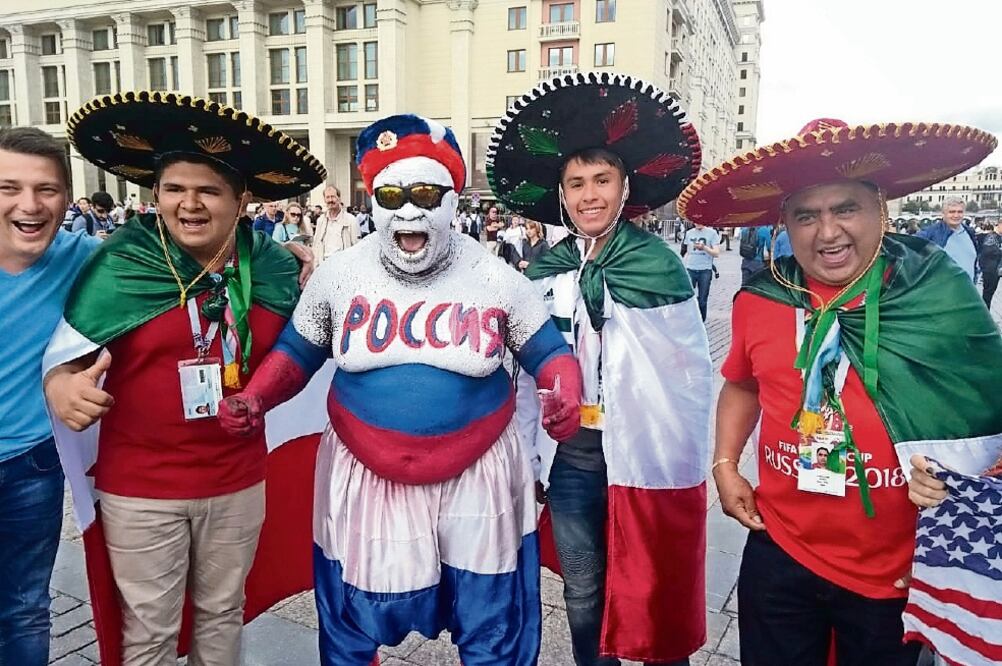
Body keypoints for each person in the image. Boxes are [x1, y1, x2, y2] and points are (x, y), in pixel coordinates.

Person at [217, 113, 581, 665]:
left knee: (491, 621)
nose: (409, 209)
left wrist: (564, 390)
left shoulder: (495, 276)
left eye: (426, 192)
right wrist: (256, 397)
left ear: (453, 200)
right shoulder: (339, 275)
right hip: (365, 479)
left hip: (478, 477)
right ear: (372, 201)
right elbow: (297, 352)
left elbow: (548, 352)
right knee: (350, 624)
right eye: (391, 194)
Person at [677, 117, 1000, 666]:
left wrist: (971, 480)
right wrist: (726, 463)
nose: (827, 233)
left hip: (894, 566)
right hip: (779, 545)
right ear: (784, 224)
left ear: (880, 209)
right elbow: (741, 384)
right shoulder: (762, 297)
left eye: (845, 208)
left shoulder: (934, 294)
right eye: (807, 215)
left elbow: (987, 411)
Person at [42, 90, 324, 666]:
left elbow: (303, 350)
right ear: (155, 195)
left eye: (208, 191)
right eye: (174, 189)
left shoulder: (271, 265)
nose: (189, 205)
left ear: (242, 199)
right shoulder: (123, 261)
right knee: (149, 631)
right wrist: (60, 385)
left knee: (223, 616)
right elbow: (66, 356)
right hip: (141, 488)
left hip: (238, 479)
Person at [489, 72, 711, 666]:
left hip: (645, 453)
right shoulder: (542, 269)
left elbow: (687, 377)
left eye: (602, 180)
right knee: (583, 591)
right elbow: (522, 366)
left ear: (624, 187)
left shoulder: (656, 265)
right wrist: (529, 445)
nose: (590, 195)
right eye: (577, 183)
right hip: (574, 460)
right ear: (561, 195)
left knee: (654, 579)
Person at [0, 126, 102, 666]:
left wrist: (270, 253)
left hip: (29, 468)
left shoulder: (83, 256)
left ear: (67, 196)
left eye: (46, 189)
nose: (29, 205)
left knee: (22, 609)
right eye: (8, 188)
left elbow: (179, 259)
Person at [916, 196, 978, 280]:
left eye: (960, 212)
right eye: (952, 212)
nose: (956, 215)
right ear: (943, 213)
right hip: (942, 290)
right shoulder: (931, 233)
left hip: (969, 290)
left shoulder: (970, 233)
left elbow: (974, 262)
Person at [681, 221, 720, 321]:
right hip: (691, 268)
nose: (697, 223)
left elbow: (716, 253)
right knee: (687, 297)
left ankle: (701, 321)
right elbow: (684, 251)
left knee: (702, 299)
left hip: (705, 270)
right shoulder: (689, 233)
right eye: (695, 220)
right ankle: (689, 320)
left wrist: (704, 247)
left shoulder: (712, 233)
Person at [312, 184, 359, 261]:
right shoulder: (321, 220)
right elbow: (316, 245)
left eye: (333, 196)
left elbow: (357, 246)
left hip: (343, 265)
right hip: (324, 265)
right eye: (327, 197)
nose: (330, 200)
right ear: (324, 200)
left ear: (339, 198)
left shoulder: (351, 220)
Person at [977, 219, 1002, 307]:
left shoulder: (998, 237)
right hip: (990, 269)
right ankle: (985, 312)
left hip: (996, 270)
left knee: (990, 293)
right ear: (999, 225)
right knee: (987, 294)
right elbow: (987, 250)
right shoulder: (991, 236)